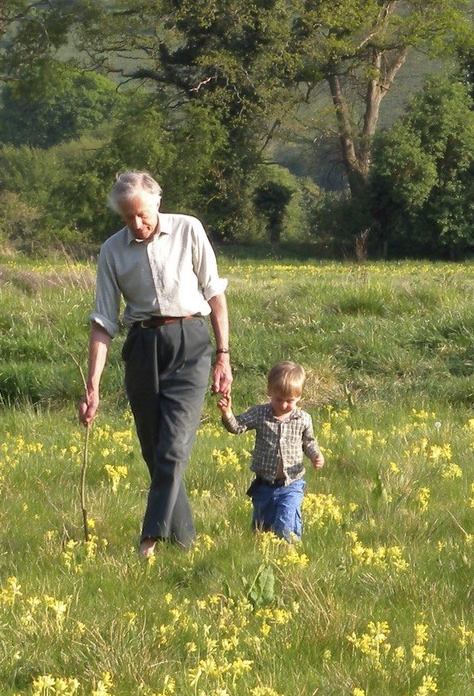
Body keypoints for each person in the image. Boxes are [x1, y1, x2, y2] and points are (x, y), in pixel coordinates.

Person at [80, 171, 232, 560]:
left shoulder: (189, 230)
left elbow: (214, 293)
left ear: (157, 203)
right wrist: (93, 387)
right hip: (142, 347)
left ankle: (149, 538)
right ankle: (185, 544)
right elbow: (103, 321)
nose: (137, 223)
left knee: (174, 447)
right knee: (154, 451)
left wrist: (223, 355)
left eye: (142, 214)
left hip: (190, 342)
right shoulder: (112, 251)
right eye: (128, 217)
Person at [217, 360, 325, 542]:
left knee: (286, 522)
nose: (283, 405)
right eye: (278, 399)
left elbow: (309, 442)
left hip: (291, 484)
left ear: (299, 396)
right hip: (264, 484)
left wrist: (316, 455)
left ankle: (289, 552)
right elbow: (237, 427)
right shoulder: (260, 414)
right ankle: (263, 556)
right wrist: (227, 413)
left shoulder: (303, 419)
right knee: (261, 529)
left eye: (290, 401)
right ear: (269, 392)